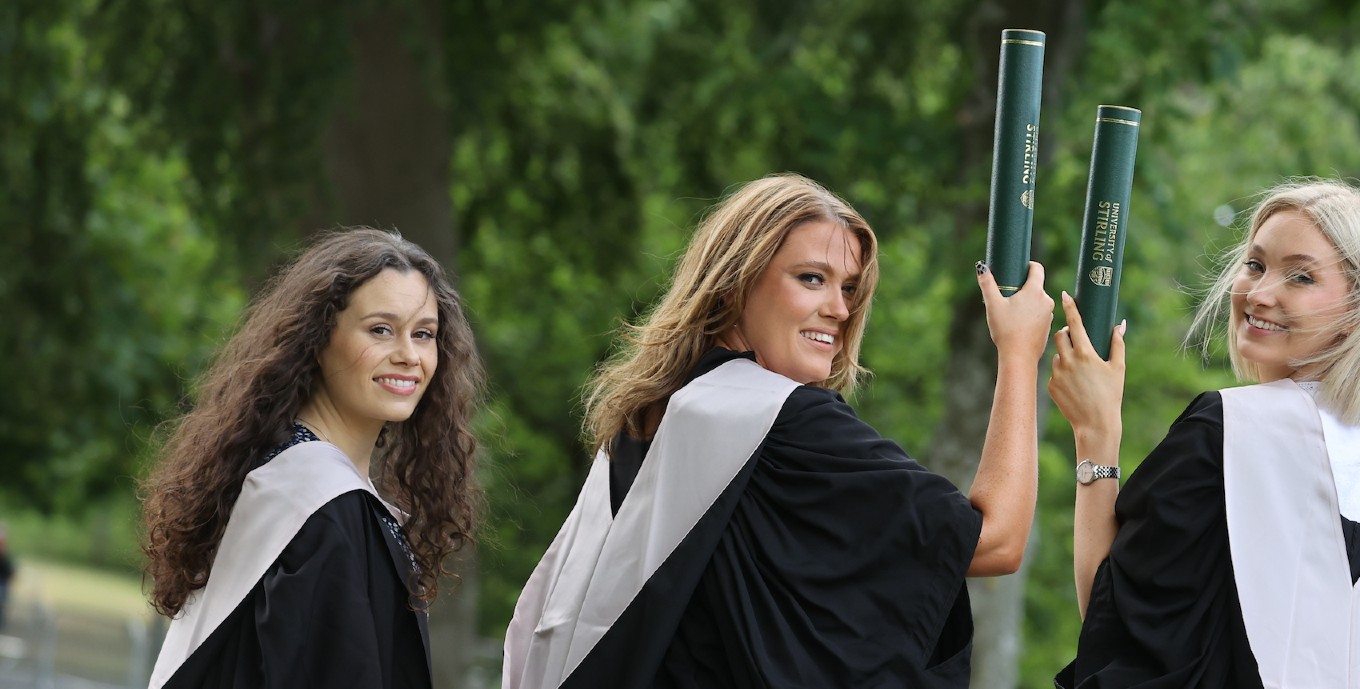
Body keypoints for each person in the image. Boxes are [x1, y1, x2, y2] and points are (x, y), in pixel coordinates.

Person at [502, 173, 1054, 688]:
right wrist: (1019, 353)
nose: (838, 308)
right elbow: (996, 541)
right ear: (733, 283)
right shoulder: (784, 423)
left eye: (849, 288)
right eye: (811, 278)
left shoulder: (649, 419)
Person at [1051, 179, 1360, 688]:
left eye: (1299, 277)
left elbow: (1119, 618)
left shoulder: (1225, 431)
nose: (1259, 292)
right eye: (1255, 264)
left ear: (1357, 309)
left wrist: (1095, 432)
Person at [140, 228, 483, 689]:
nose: (409, 355)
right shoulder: (322, 507)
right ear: (319, 338)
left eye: (424, 335)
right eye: (381, 330)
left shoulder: (286, 476)